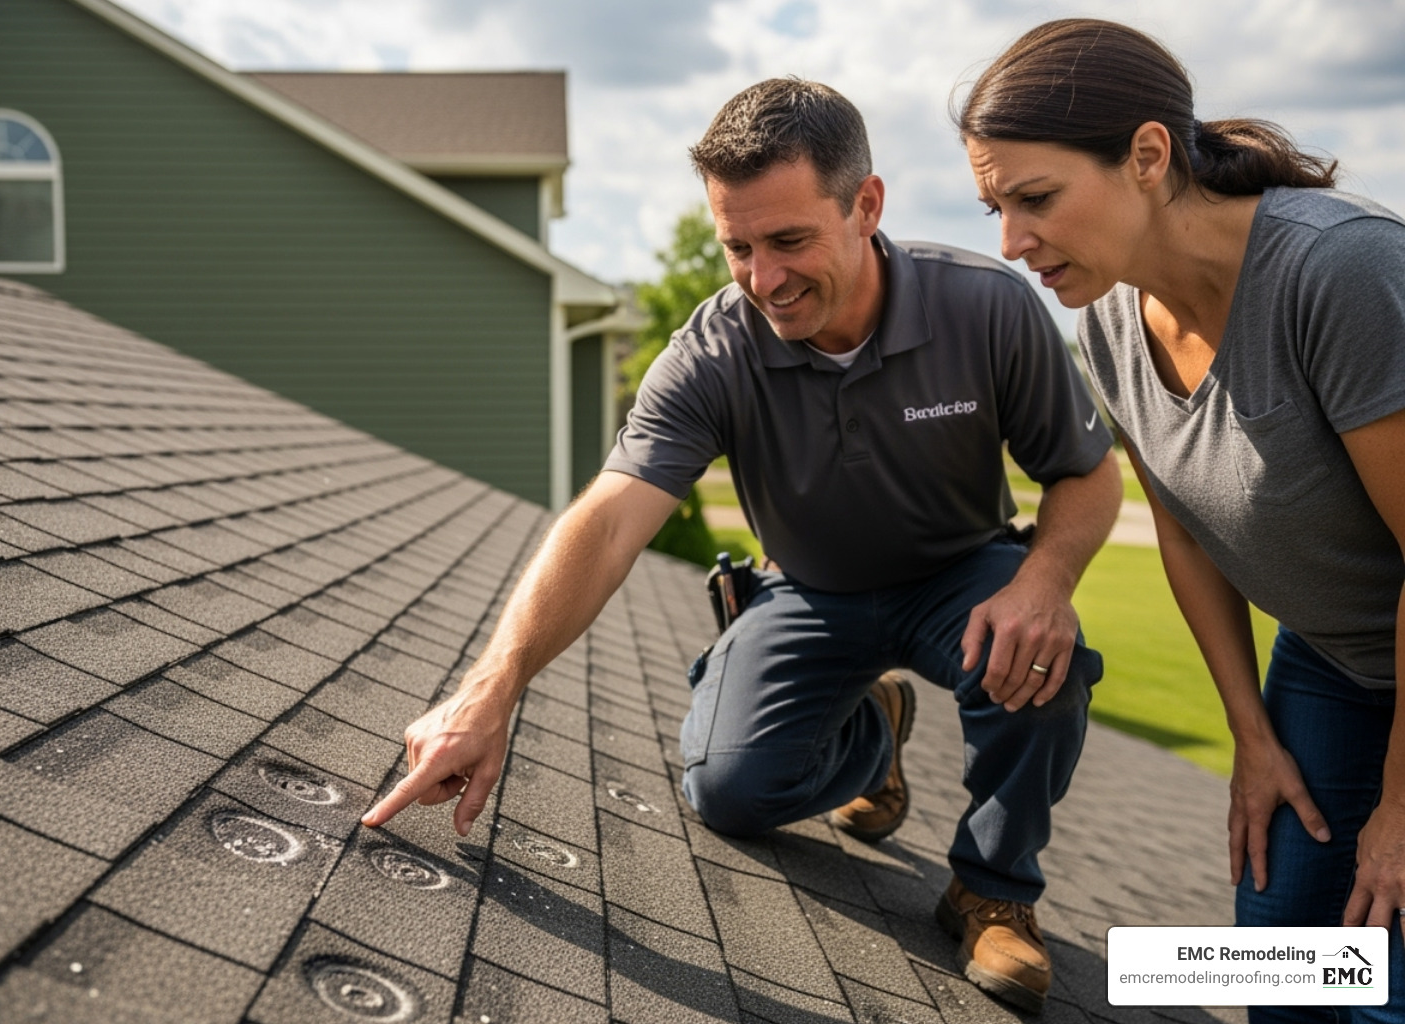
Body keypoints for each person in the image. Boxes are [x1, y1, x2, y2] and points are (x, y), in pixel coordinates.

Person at [365, 78, 1123, 1012]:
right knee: (728, 789)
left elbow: (1088, 473)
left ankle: (995, 890)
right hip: (811, 592)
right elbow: (608, 521)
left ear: (866, 206)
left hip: (961, 575)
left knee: (1043, 657)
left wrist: (1045, 580)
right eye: (739, 247)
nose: (764, 279)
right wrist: (492, 688)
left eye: (790, 241)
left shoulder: (987, 308)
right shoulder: (714, 352)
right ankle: (872, 728)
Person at [960, 18, 1405, 1023]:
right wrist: (1251, 732)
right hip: (1336, 664)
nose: (1011, 241)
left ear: (1149, 157)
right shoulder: (1109, 322)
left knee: (1385, 982)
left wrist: (1399, 802)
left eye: (1035, 199)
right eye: (995, 206)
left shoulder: (1341, 274)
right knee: (1283, 977)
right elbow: (1187, 527)